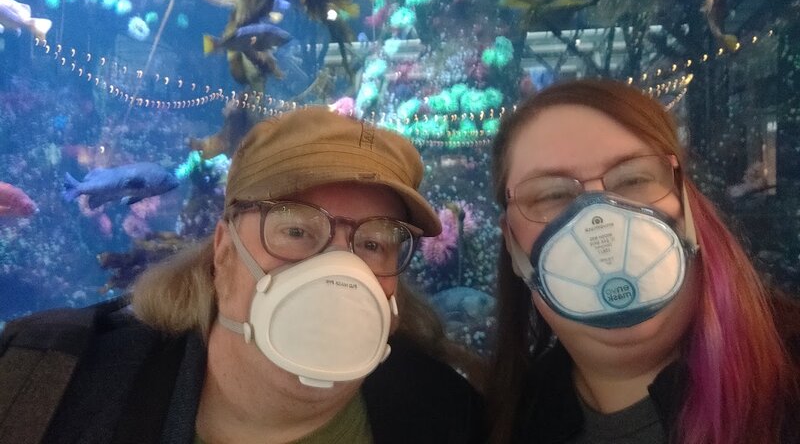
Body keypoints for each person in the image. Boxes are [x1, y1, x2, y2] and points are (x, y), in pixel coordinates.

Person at [0, 106, 484, 443]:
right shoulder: (45, 384)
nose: (343, 269)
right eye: (296, 230)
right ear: (225, 252)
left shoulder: (452, 418)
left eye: (376, 242)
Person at [486, 78, 800, 444]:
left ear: (686, 205)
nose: (598, 219)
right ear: (512, 241)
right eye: (553, 194)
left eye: (633, 179)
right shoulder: (509, 420)